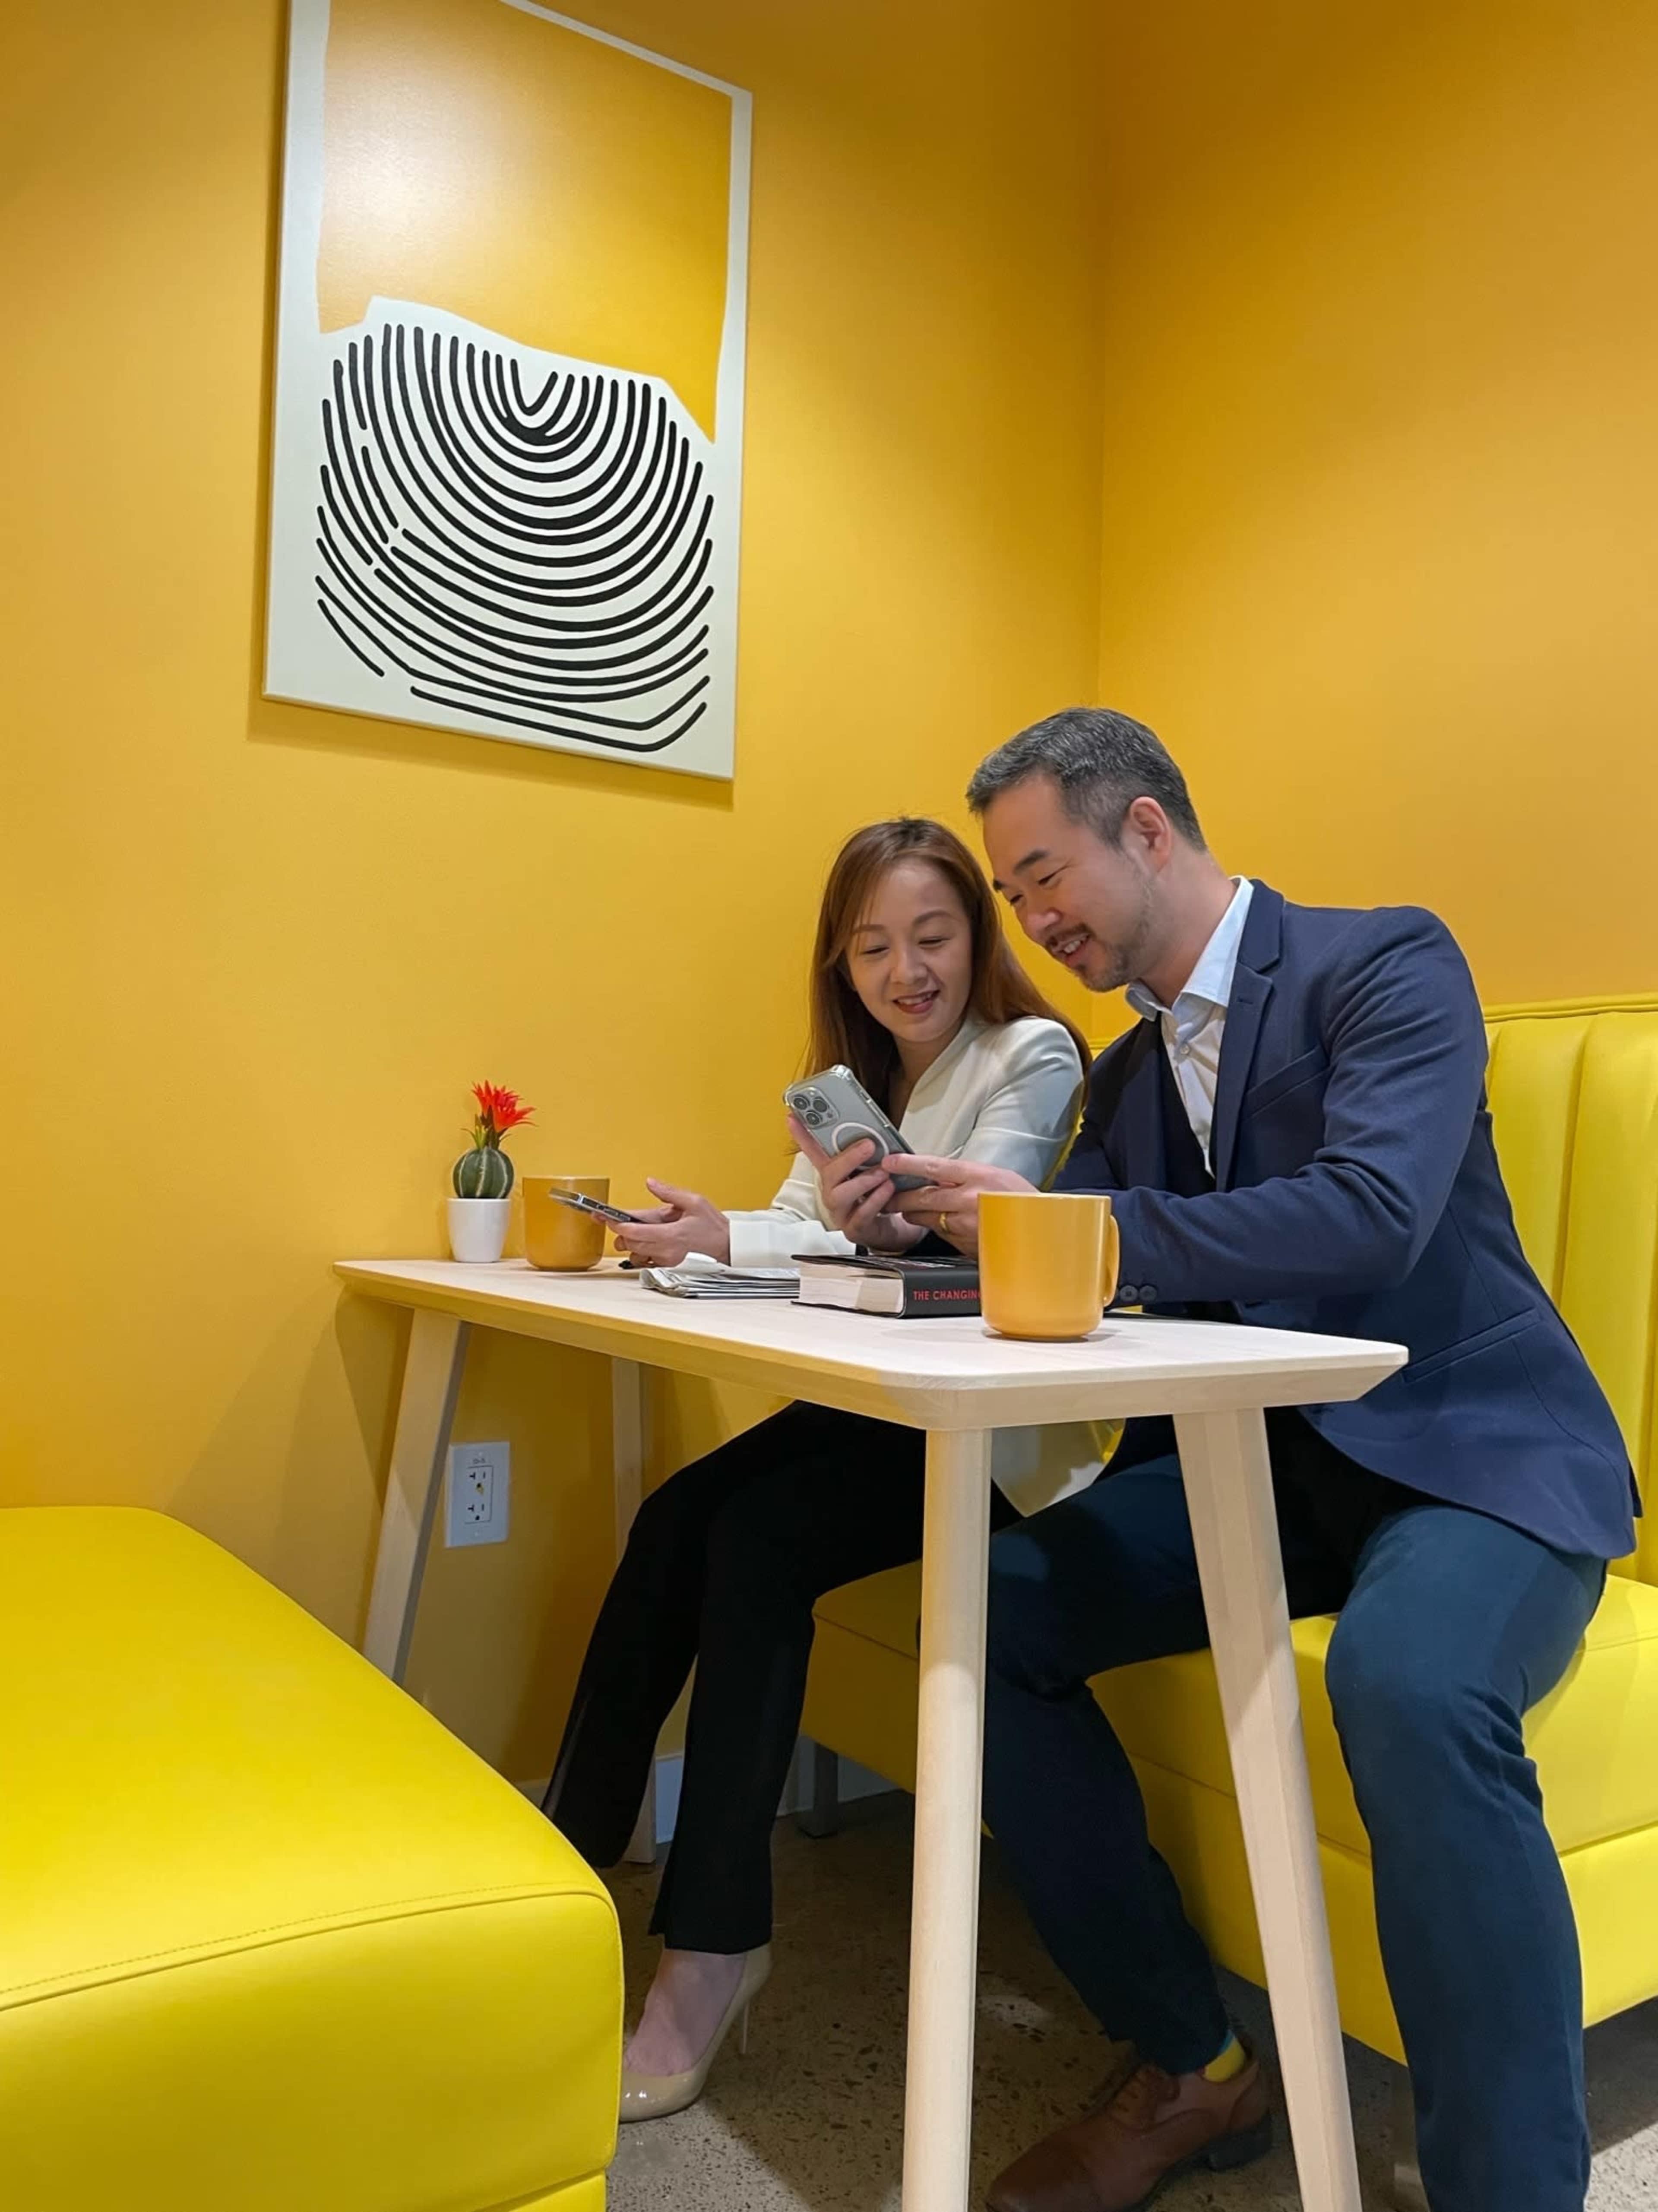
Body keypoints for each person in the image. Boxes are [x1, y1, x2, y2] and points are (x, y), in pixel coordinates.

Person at [888, 709, 1637, 2212]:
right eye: (1015, 894)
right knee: (985, 1609)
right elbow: (1072, 1265)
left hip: (1477, 1457)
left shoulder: (1387, 965)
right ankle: (1193, 2061)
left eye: (1044, 878)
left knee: (1408, 1682)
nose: (1032, 921)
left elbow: (1369, 1211)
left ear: (1147, 829)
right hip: (1283, 1475)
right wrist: (909, 1226)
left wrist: (1085, 1232)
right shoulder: (1130, 1078)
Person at [542, 815, 1094, 2123]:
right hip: (876, 1406)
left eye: (933, 936)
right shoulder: (849, 1087)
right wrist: (707, 1229)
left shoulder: (1034, 1054)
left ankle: (719, 1942)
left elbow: (991, 1215)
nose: (907, 970)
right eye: (874, 948)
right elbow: (792, 1232)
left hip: (984, 1431)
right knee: (679, 1516)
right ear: (841, 966)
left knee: (758, 1539)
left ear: (980, 933)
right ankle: (558, 1875)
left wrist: (891, 1217)